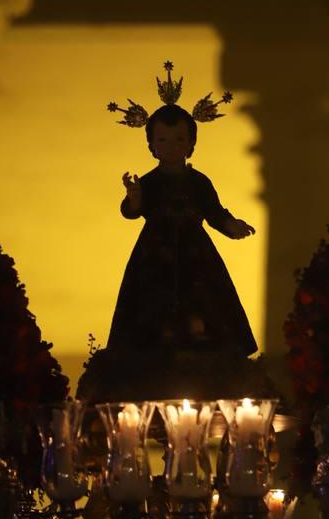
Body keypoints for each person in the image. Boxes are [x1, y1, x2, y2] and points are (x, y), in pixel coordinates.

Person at [107, 102, 258, 356]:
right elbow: (131, 211)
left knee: (201, 301)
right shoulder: (148, 182)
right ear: (151, 144)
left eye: (179, 139)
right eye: (163, 140)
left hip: (196, 254)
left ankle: (203, 347)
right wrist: (134, 198)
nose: (171, 146)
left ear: (191, 143)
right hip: (154, 254)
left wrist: (231, 225)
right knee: (154, 301)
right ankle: (155, 349)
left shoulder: (199, 182)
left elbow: (214, 211)